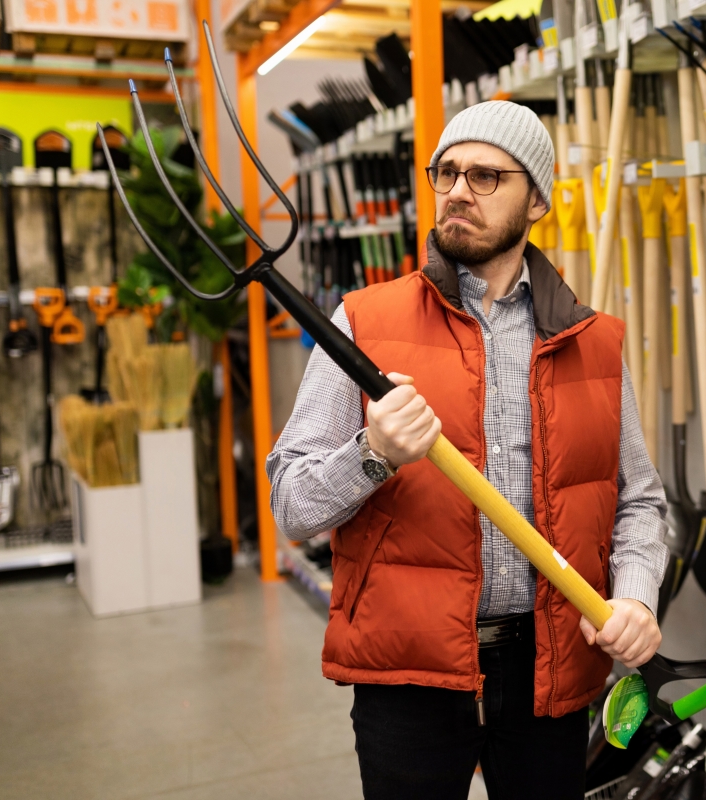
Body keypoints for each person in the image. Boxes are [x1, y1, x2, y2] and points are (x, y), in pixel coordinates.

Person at [266, 100, 668, 800]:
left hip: (548, 669)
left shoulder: (593, 340)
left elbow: (639, 499)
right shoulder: (364, 322)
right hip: (411, 671)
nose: (457, 190)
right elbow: (290, 504)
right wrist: (374, 452)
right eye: (446, 172)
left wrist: (633, 598)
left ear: (536, 199)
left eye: (486, 177)